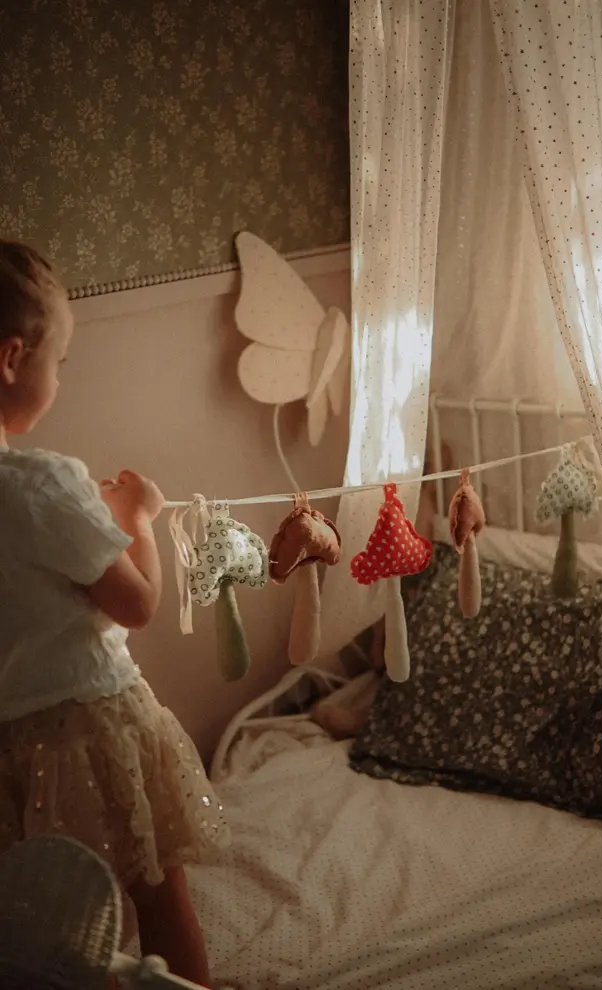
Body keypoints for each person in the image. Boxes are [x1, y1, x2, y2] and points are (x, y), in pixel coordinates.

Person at [0, 240, 229, 988]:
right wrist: (139, 518)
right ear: (12, 359)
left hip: (11, 745)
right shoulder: (46, 485)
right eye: (57, 362)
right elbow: (138, 603)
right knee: (157, 888)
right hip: (95, 730)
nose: (59, 378)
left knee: (41, 918)